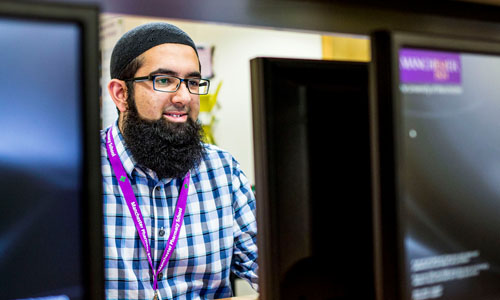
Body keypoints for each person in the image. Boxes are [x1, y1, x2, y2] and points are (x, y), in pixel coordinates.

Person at [101, 22, 258, 300]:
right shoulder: (77, 168)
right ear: (120, 94)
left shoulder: (222, 171)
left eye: (193, 83)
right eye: (163, 80)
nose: (184, 97)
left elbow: (278, 273)